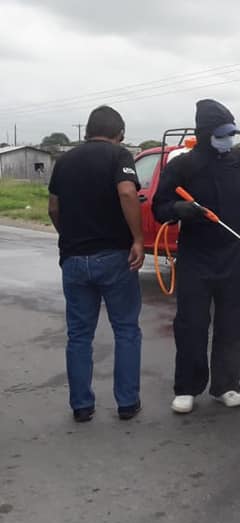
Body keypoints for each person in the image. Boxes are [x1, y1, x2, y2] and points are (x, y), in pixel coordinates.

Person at [152, 99, 240, 414]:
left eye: (231, 132)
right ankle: (187, 388)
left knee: (234, 322)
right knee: (191, 323)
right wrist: (180, 209)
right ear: (205, 134)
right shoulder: (183, 165)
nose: (228, 139)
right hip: (196, 256)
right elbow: (160, 206)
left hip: (235, 255)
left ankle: (227, 385)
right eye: (222, 134)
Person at [47, 106, 145, 423]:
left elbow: (53, 207)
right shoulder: (119, 156)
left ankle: (81, 406)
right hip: (114, 257)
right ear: (119, 134)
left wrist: (69, 236)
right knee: (126, 329)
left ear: (88, 131)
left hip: (74, 259)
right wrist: (138, 239)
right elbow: (127, 193)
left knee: (79, 335)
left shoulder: (64, 161)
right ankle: (127, 403)